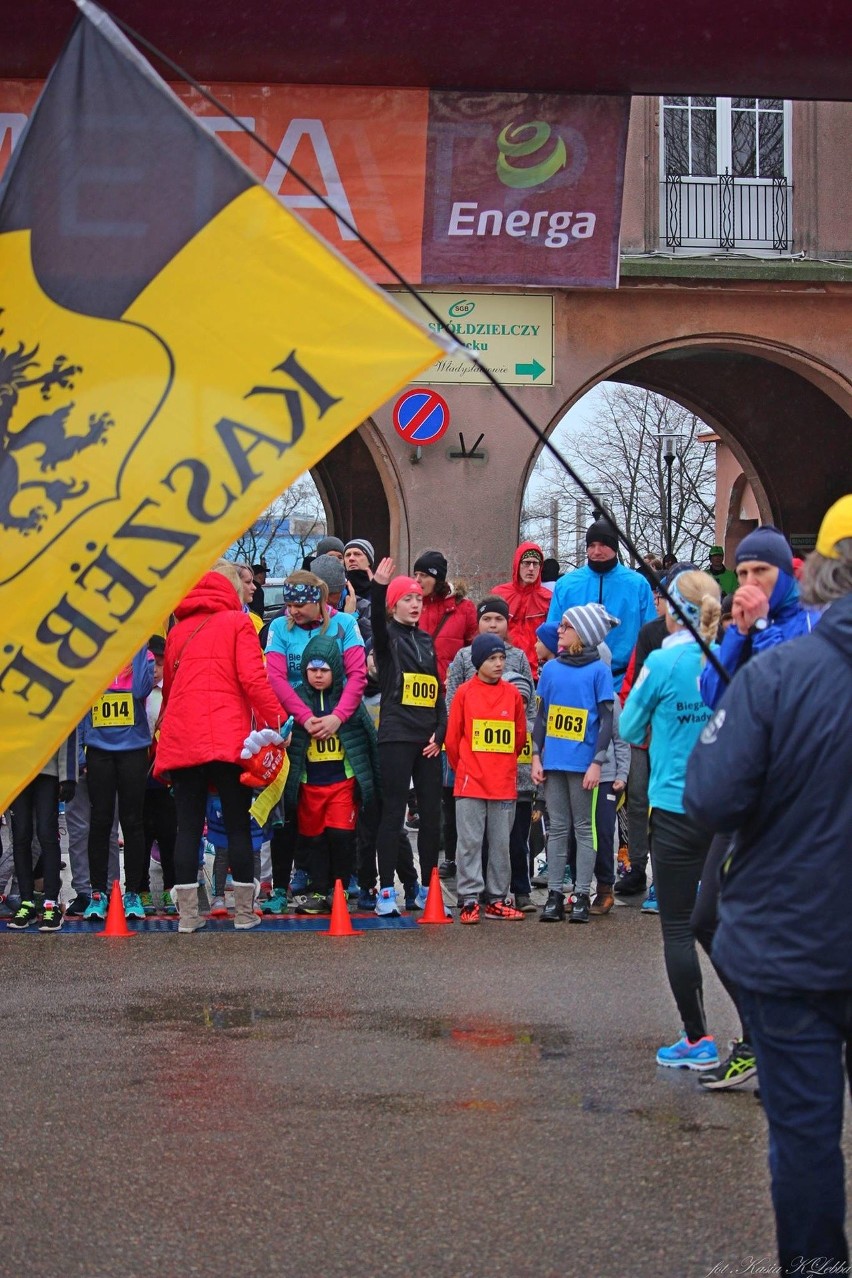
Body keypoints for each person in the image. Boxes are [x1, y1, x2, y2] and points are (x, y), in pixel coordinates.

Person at [684, 494, 852, 1275]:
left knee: (807, 1133)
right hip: (800, 937)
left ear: (812, 574)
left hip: (794, 945)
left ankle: (816, 1268)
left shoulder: (792, 664)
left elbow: (712, 793)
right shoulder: (767, 654)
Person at [619, 570, 722, 1070]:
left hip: (677, 806)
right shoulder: (730, 656)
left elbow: (629, 724)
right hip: (728, 808)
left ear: (673, 608)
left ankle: (698, 1037)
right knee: (732, 923)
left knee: (678, 927)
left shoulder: (662, 660)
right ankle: (762, 1032)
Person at [155, 562, 287, 933]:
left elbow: (169, 690)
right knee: (237, 825)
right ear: (229, 590)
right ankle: (243, 914)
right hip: (228, 739)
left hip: (183, 739)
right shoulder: (238, 623)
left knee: (187, 826)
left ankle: (187, 917)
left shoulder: (178, 630)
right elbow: (253, 679)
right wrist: (277, 722)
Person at [264, 571, 367, 906]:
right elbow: (276, 678)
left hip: (339, 724)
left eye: (298, 605)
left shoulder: (345, 625)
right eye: (289, 603)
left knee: (345, 803)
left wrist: (338, 716)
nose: (291, 611)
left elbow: (357, 674)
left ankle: (344, 875)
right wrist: (304, 716)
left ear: (319, 602)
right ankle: (287, 882)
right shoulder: (280, 628)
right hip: (296, 726)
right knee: (290, 808)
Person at [532, 603, 617, 924]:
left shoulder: (599, 671)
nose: (559, 630)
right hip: (554, 763)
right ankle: (555, 894)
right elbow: (542, 716)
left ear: (582, 634)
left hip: (584, 766)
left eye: (566, 626)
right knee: (557, 830)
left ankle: (582, 893)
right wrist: (537, 756)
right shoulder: (551, 669)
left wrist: (598, 762)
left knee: (584, 828)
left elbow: (606, 722)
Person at [370, 560, 446, 916]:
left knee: (432, 816)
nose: (415, 604)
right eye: (407, 599)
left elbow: (438, 693)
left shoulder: (427, 640)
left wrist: (440, 733)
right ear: (394, 604)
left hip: (427, 740)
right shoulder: (386, 639)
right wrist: (379, 587)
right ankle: (387, 890)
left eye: (418, 598)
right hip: (397, 736)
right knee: (393, 812)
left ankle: (429, 891)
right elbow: (378, 628)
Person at [616, 562, 695, 898]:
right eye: (668, 593)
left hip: (685, 735)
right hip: (645, 734)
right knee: (637, 800)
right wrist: (639, 725)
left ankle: (680, 874)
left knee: (678, 803)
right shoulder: (650, 632)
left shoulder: (710, 633)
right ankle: (636, 866)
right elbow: (636, 683)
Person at [284, 637, 380, 913]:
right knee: (313, 839)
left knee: (341, 837)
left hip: (342, 783)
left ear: (335, 670)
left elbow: (368, 738)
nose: (317, 675)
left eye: (324, 670)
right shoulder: (299, 698)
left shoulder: (347, 702)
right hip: (309, 785)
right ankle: (319, 890)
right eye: (312, 670)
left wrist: (373, 783)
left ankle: (339, 889)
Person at [443, 596, 534, 882]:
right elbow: (452, 711)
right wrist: (464, 759)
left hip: (506, 768)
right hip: (470, 766)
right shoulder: (462, 658)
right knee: (470, 835)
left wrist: (513, 756)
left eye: (499, 619)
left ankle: (510, 891)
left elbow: (526, 714)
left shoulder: (518, 658)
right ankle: (470, 891)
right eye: (487, 619)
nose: (493, 624)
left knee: (507, 836)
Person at [444, 634, 527, 923]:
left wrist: (501, 766)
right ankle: (469, 899)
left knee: (501, 844)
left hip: (502, 783)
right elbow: (453, 739)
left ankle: (497, 899)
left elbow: (518, 738)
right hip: (471, 782)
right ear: (478, 662)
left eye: (502, 658)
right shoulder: (464, 693)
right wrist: (466, 767)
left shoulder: (513, 694)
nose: (499, 663)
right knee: (469, 842)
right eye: (492, 659)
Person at [81, 644, 155, 921]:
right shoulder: (91, 658)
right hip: (99, 751)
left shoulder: (144, 657)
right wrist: (79, 754)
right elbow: (81, 707)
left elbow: (139, 691)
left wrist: (137, 645)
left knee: (133, 821)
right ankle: (98, 891)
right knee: (100, 821)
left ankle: (132, 891)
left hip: (133, 751)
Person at [547, 517, 657, 692]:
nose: (596, 551)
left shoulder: (637, 585)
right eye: (591, 545)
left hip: (624, 683)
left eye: (603, 545)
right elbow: (552, 632)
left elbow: (651, 635)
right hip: (575, 680)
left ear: (614, 547)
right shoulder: (566, 585)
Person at [6, 735, 77, 931]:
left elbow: (66, 726)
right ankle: (27, 902)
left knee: (47, 833)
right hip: (17, 768)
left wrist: (68, 775)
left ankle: (51, 903)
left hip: (48, 769)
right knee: (20, 836)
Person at [412, 550, 478, 689]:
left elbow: (475, 652)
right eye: (416, 574)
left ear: (438, 579)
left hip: (449, 691)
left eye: (423, 575)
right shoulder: (412, 607)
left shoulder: (464, 609)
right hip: (415, 692)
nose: (417, 580)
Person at [491, 541, 552, 677]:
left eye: (535, 564)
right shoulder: (499, 594)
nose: (531, 568)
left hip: (536, 672)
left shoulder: (548, 598)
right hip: (502, 669)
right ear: (517, 564)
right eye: (526, 563)